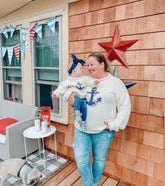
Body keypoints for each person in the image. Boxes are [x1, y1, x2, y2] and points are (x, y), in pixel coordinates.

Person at [68, 52, 131, 186]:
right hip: (82, 129)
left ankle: (95, 182)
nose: (89, 67)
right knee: (81, 160)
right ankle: (90, 183)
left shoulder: (115, 83)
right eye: (88, 65)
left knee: (99, 159)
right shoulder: (85, 81)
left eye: (92, 64)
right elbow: (71, 96)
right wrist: (71, 97)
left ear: (102, 64)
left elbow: (125, 106)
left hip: (103, 131)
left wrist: (115, 124)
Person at [51, 54, 99, 131]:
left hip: (83, 97)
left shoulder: (83, 78)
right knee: (77, 99)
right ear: (73, 71)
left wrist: (94, 82)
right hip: (75, 97)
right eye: (80, 68)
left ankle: (83, 122)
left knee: (84, 108)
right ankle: (76, 112)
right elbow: (61, 88)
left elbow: (89, 81)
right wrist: (55, 93)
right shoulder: (68, 81)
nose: (82, 70)